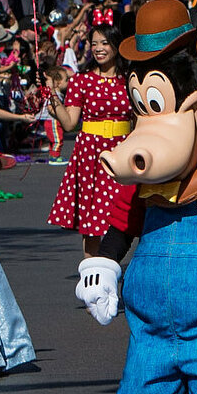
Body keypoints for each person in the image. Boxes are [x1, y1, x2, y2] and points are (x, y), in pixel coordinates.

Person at [46, 24, 136, 256]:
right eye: (94, 44)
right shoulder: (81, 81)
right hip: (91, 154)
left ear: (116, 45)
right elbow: (69, 123)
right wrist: (53, 97)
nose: (98, 49)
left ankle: (112, 265)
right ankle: (92, 274)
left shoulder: (130, 80)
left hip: (122, 153)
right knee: (92, 224)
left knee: (124, 217)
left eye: (104, 43)